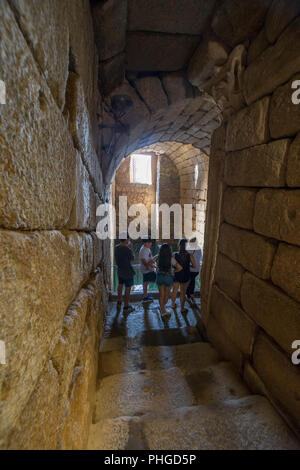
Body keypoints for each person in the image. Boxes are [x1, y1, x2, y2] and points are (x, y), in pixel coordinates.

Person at [156, 243, 182, 318]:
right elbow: (179, 268)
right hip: (168, 277)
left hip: (159, 276)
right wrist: (173, 271)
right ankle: (163, 309)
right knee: (167, 295)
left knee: (161, 295)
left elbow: (156, 264)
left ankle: (162, 310)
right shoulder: (171, 259)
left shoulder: (158, 257)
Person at [171, 238, 196, 314]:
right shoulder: (190, 255)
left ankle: (172, 305)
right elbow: (194, 266)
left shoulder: (174, 255)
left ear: (179, 245)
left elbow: (172, 264)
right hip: (185, 275)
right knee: (183, 292)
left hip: (177, 274)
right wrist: (188, 266)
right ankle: (182, 308)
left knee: (174, 291)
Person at [115, 232, 135, 313]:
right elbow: (132, 259)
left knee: (120, 285)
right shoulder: (127, 249)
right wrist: (131, 248)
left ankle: (119, 300)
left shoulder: (116, 247)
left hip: (120, 270)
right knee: (127, 288)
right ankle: (126, 306)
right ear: (126, 239)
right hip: (127, 271)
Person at [139, 238, 156, 303]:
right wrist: (148, 267)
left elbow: (149, 258)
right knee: (157, 280)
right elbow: (143, 261)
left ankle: (145, 296)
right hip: (147, 269)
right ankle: (163, 294)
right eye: (149, 243)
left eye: (151, 242)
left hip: (147, 268)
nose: (151, 244)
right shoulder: (143, 250)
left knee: (145, 282)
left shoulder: (146, 248)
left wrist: (152, 265)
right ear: (145, 243)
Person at [186, 237, 203, 303]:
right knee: (192, 281)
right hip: (197, 269)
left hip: (190, 268)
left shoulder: (188, 249)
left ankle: (188, 296)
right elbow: (201, 258)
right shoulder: (199, 248)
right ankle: (191, 294)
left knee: (188, 282)